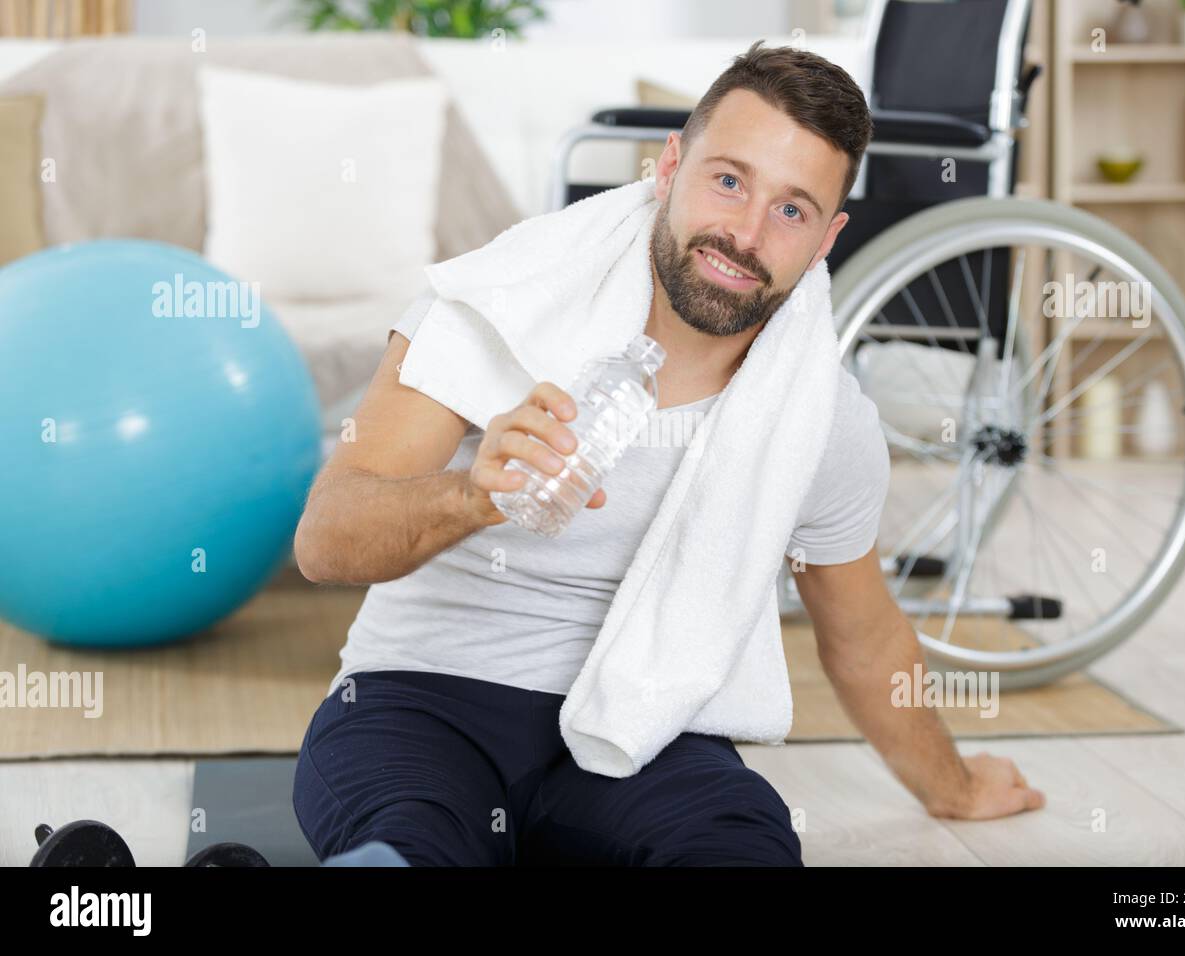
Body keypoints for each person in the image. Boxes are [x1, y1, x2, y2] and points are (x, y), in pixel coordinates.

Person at [292, 40, 1045, 868]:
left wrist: (955, 786)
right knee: (410, 847)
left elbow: (862, 635)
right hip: (421, 703)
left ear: (827, 237)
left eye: (791, 210)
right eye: (729, 180)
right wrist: (472, 494)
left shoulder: (821, 420)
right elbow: (326, 540)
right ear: (670, 164)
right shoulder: (494, 306)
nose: (746, 233)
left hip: (642, 729)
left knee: (743, 844)